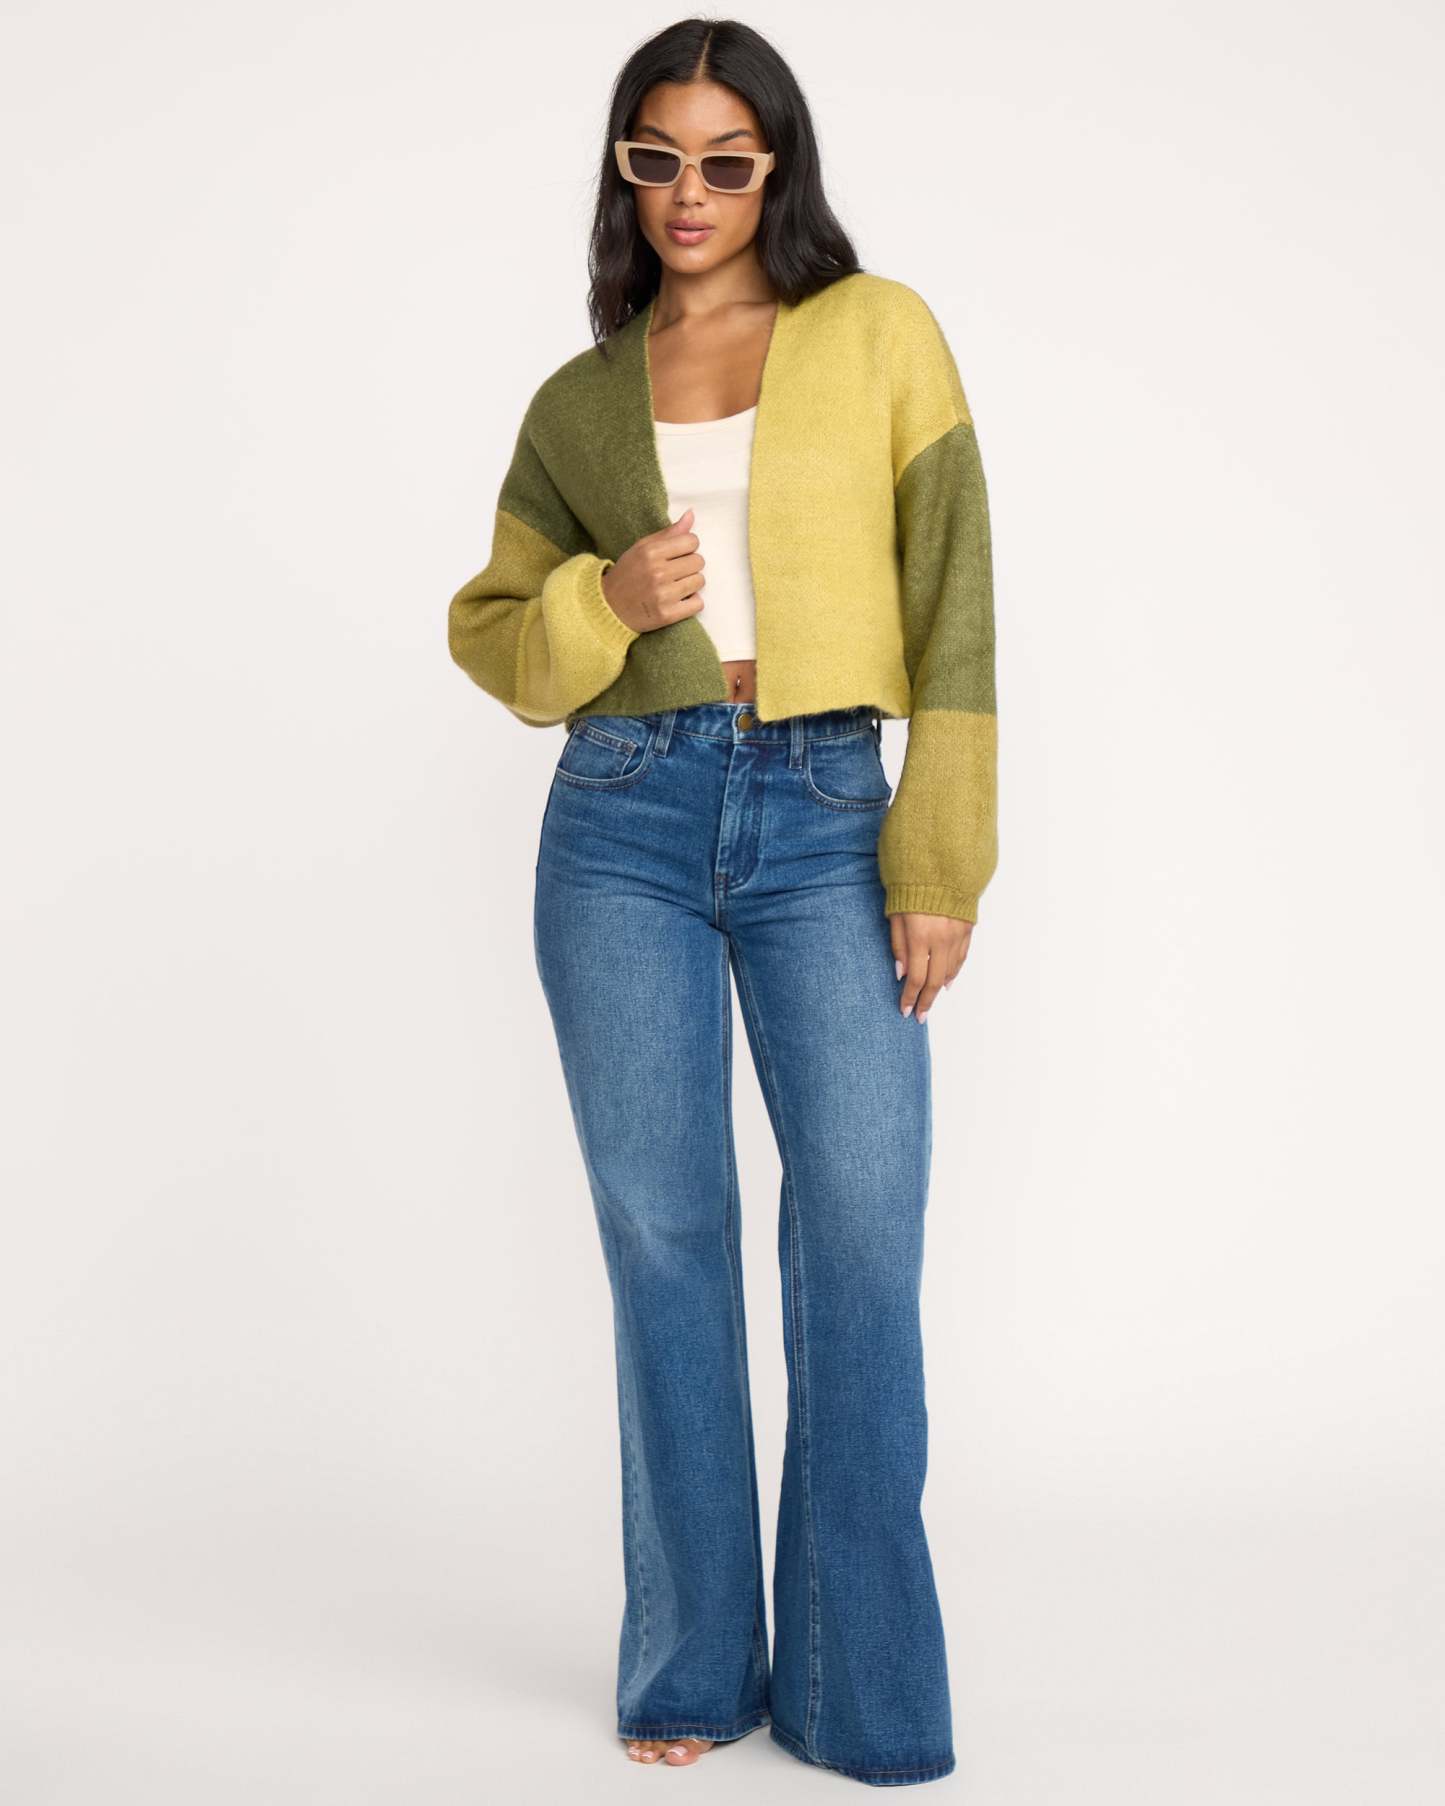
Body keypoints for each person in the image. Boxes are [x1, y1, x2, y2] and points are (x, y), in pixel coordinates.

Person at [446, 17, 996, 1789]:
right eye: (656, 158)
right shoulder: (581, 399)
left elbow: (956, 594)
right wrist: (605, 599)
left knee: (860, 1230)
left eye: (725, 162)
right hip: (621, 815)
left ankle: (858, 1689)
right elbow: (497, 639)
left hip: (826, 807)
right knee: (667, 1238)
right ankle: (690, 1660)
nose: (689, 194)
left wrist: (938, 851)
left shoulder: (877, 331)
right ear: (625, 169)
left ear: (777, 168)